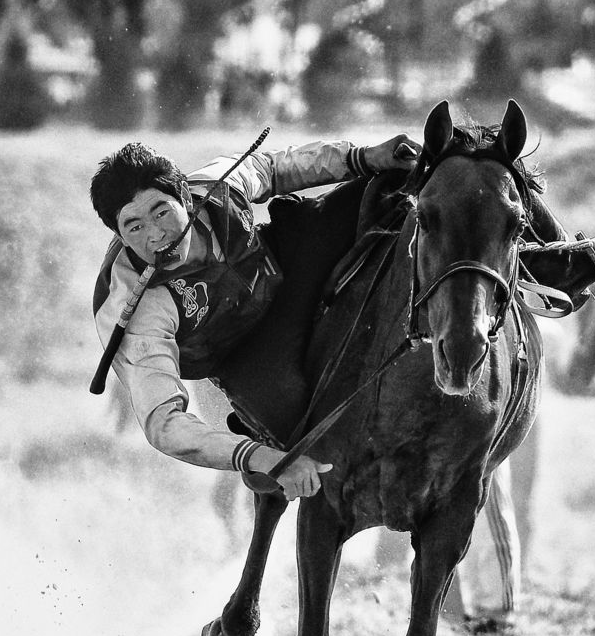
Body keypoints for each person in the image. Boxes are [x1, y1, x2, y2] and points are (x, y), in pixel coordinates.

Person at [89, 133, 420, 500]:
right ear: (118, 233)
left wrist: (363, 156)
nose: (155, 236)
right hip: (236, 351)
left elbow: (276, 167)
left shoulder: (218, 188)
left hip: (282, 268)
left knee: (380, 190)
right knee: (293, 423)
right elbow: (164, 425)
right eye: (134, 227)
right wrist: (264, 459)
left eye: (161, 212)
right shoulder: (136, 310)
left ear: (185, 196)